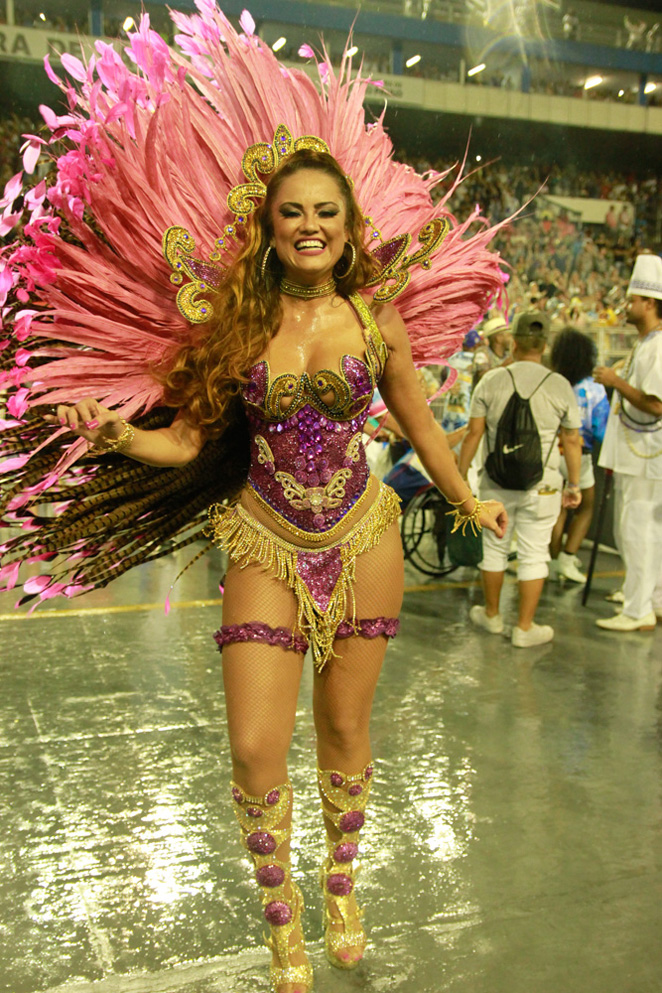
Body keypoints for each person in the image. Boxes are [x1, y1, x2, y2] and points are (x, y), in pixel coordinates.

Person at [39, 150, 507, 993]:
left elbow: (421, 424)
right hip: (262, 541)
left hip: (365, 537)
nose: (310, 226)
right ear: (268, 224)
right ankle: (282, 914)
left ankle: (341, 886)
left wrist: (469, 500)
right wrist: (119, 436)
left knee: (344, 731)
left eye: (326, 211)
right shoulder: (236, 324)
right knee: (256, 747)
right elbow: (185, 440)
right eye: (293, 211)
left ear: (350, 225)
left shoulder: (375, 318)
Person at [458, 311, 582, 647]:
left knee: (495, 547)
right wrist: (573, 484)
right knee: (534, 552)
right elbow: (571, 440)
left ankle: (493, 615)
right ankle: (525, 628)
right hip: (543, 487)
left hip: (495, 483)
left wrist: (459, 479)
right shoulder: (560, 385)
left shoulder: (491, 381)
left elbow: (473, 434)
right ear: (545, 345)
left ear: (514, 341)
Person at [594, 254, 662, 632]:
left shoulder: (657, 347)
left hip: (646, 455)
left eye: (633, 300)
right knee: (644, 530)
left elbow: (655, 405)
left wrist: (615, 381)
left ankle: (638, 611)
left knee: (638, 530)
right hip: (638, 453)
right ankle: (650, 600)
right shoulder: (645, 344)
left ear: (649, 303)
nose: (627, 307)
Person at [549, 327, 610, 583]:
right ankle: (567, 557)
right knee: (585, 506)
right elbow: (601, 429)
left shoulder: (551, 381)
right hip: (580, 455)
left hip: (550, 452)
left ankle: (550, 562)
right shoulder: (593, 389)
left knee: (555, 510)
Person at [472, 314, 511, 384]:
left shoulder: (508, 354)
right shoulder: (482, 352)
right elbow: (482, 375)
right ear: (498, 338)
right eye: (508, 335)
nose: (511, 339)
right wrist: (505, 365)